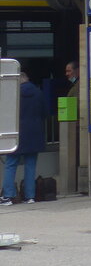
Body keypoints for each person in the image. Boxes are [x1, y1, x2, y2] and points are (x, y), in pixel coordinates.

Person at [2, 71, 48, 205]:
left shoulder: (13, 94)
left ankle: (8, 196)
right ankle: (30, 197)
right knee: (30, 165)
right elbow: (44, 112)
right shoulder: (38, 93)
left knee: (11, 164)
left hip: (16, 133)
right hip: (34, 134)